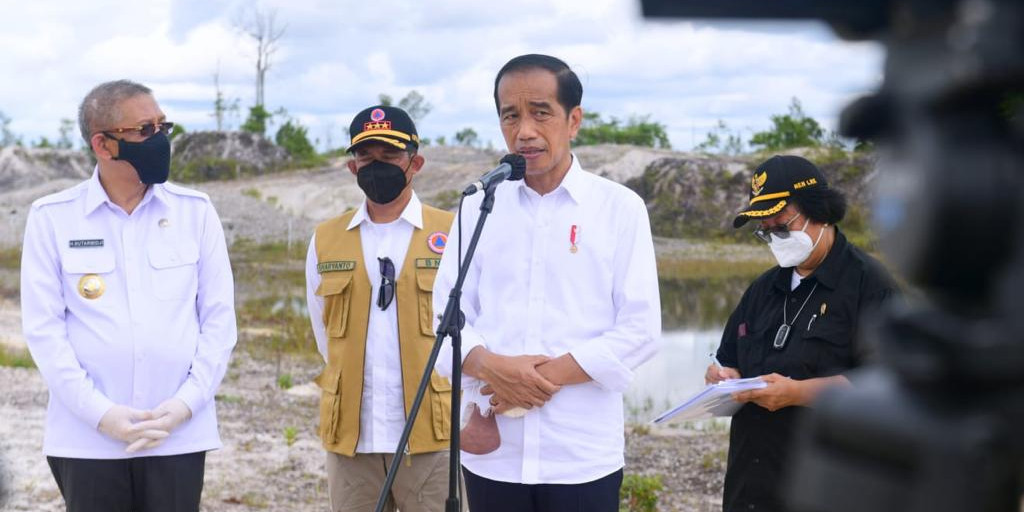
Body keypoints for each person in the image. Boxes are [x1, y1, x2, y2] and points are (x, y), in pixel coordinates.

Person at [432, 54, 662, 512]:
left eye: (541, 112)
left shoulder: (619, 208)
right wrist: (490, 366)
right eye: (510, 115)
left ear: (573, 120)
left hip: (580, 455)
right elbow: (445, 319)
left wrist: (532, 378)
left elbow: (640, 330)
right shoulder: (479, 205)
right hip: (493, 457)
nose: (524, 132)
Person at [20, 80, 237, 511]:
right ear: (103, 144)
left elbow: (218, 322)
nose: (159, 140)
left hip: (176, 435)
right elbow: (45, 332)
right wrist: (101, 415)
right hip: (86, 440)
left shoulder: (195, 212)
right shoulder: (52, 219)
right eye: (144, 130)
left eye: (163, 126)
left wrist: (185, 405)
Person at [706, 154, 898, 511]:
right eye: (765, 231)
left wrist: (798, 393)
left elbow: (887, 387)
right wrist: (723, 376)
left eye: (782, 226)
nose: (775, 238)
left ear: (819, 211)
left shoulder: (871, 287)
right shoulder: (762, 289)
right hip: (751, 488)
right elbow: (729, 360)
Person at [305, 105, 459, 512]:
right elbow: (325, 337)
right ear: (352, 167)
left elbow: (473, 333)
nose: (377, 166)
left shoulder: (453, 232)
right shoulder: (325, 239)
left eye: (390, 156)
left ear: (416, 162)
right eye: (366, 157)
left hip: (432, 436)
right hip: (353, 441)